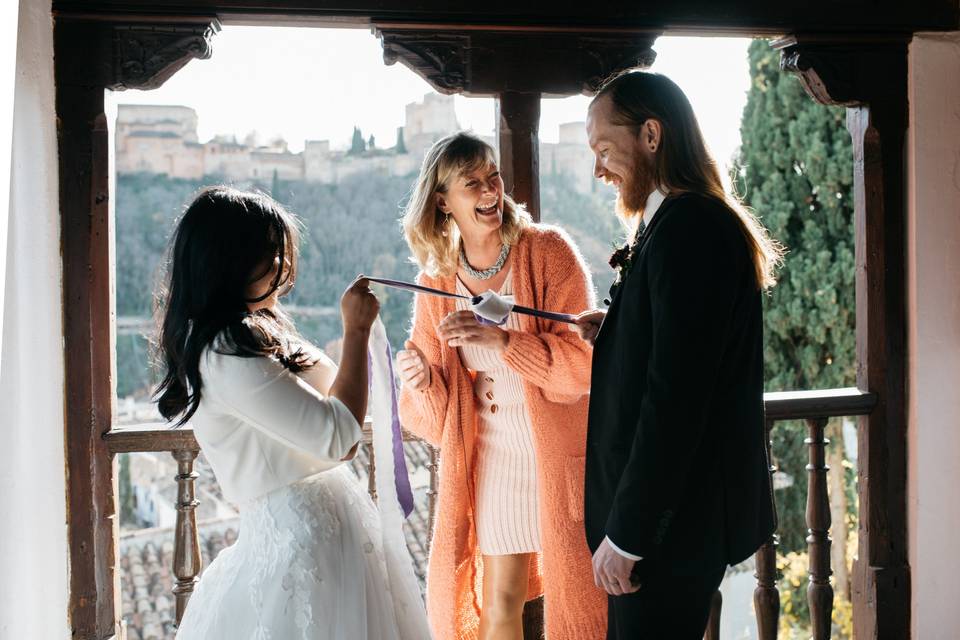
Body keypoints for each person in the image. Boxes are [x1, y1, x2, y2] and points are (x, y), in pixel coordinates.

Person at [156, 187, 430, 639]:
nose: (281, 268)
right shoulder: (225, 351)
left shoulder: (255, 332)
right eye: (270, 254)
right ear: (230, 260)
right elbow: (338, 437)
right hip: (299, 548)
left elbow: (331, 391)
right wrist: (356, 330)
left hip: (323, 537)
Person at [574, 71, 783, 639]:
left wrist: (629, 535)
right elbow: (673, 349)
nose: (599, 169)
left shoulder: (691, 228)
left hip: (668, 526)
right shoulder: (673, 222)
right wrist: (618, 331)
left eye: (604, 149)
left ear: (650, 134)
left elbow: (678, 399)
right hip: (668, 522)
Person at [396, 132, 607, 639]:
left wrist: (504, 344)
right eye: (473, 183)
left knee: (578, 598)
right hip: (493, 458)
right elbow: (428, 415)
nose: (491, 190)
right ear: (443, 202)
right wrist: (421, 382)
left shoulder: (548, 251)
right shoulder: (439, 282)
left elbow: (585, 366)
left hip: (556, 454)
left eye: (493, 176)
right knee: (500, 603)